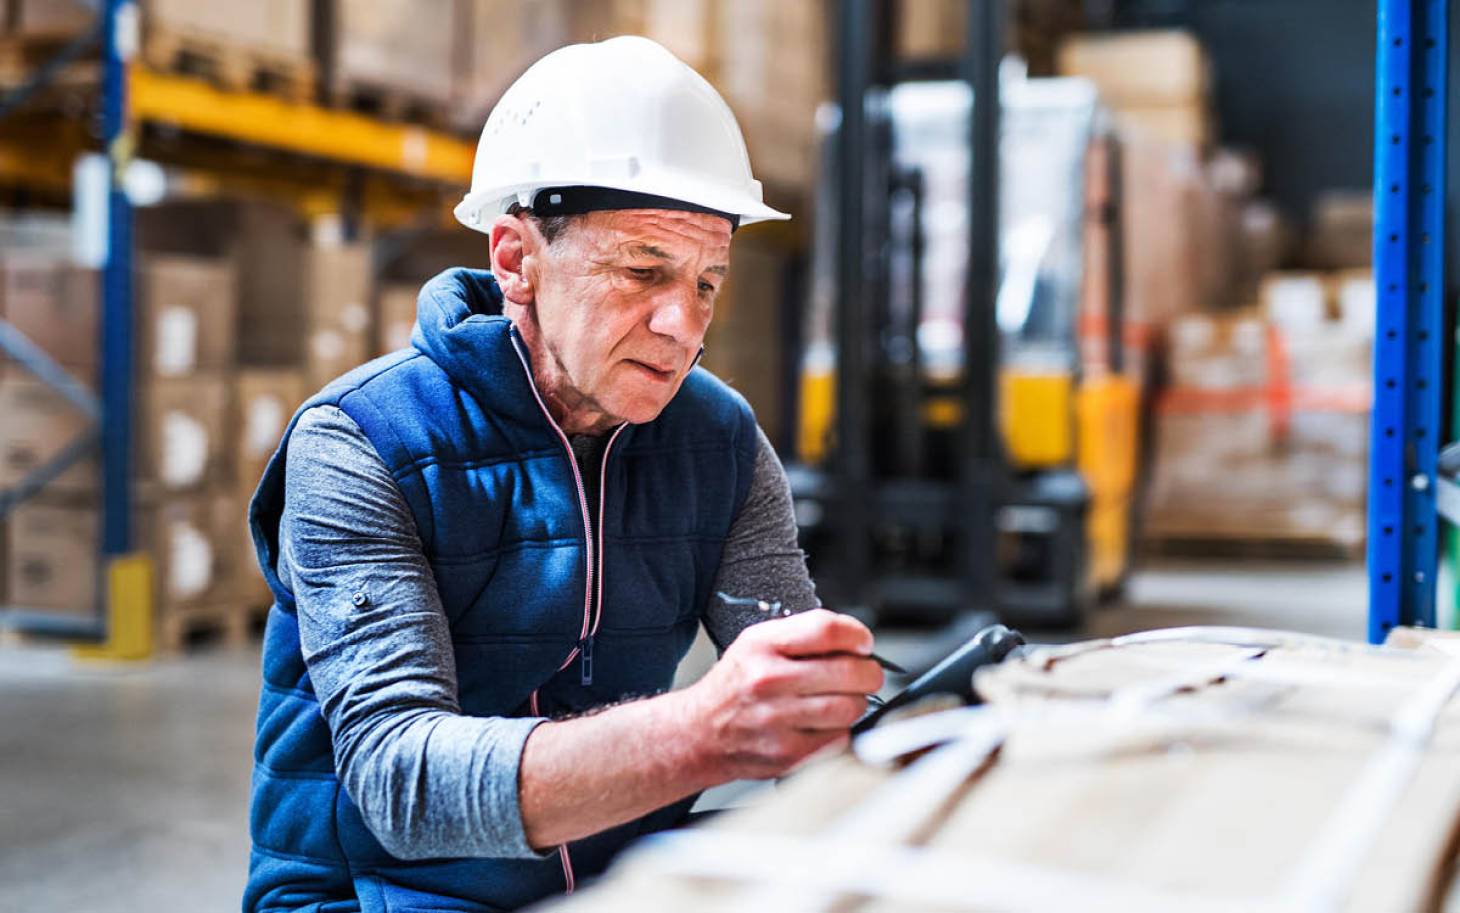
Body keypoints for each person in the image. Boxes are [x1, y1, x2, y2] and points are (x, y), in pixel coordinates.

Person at [243, 36, 883, 913]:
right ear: (515, 259)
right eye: (642, 270)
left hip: (621, 871)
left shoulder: (718, 438)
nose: (682, 326)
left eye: (707, 282)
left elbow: (797, 685)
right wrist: (704, 731)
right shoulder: (362, 442)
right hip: (376, 888)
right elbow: (402, 786)